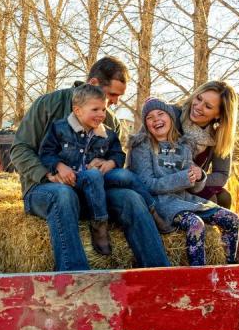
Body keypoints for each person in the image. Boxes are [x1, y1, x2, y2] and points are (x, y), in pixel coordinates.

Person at [9, 56, 170, 271]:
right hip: (45, 190)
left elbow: (116, 159)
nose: (115, 102)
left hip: (93, 193)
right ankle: (76, 279)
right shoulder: (48, 105)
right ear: (94, 84)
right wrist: (48, 173)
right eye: (112, 94)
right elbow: (19, 149)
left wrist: (107, 164)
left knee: (131, 198)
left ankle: (160, 276)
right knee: (63, 194)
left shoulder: (109, 120)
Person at [38, 84, 159, 256]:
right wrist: (59, 166)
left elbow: (118, 154)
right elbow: (45, 153)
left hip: (101, 177)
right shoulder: (59, 128)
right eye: (95, 109)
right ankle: (99, 226)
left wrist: (110, 163)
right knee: (93, 175)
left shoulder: (108, 134)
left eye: (103, 109)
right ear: (78, 110)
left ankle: (153, 210)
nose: (102, 114)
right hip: (75, 179)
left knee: (125, 174)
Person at [127, 98, 239, 265]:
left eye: (160, 114)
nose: (156, 119)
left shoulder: (184, 145)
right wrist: (181, 179)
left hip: (186, 200)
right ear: (146, 124)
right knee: (196, 225)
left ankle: (229, 268)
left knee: (232, 219)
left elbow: (193, 188)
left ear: (171, 119)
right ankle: (197, 274)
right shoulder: (143, 146)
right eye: (149, 117)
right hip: (161, 204)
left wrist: (199, 176)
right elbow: (146, 184)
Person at [178, 81, 239, 208]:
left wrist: (201, 176)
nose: (198, 106)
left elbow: (222, 175)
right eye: (198, 98)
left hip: (195, 183)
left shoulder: (218, 136)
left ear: (219, 114)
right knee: (210, 200)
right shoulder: (172, 116)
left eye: (208, 106)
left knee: (224, 197)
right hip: (166, 179)